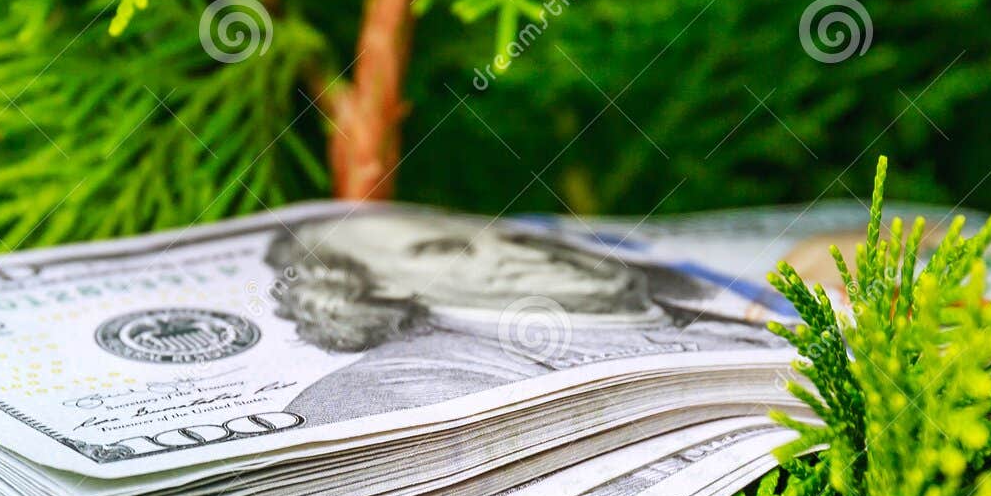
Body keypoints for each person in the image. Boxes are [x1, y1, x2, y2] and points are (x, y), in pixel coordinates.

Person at [262, 208, 781, 422]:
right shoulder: (406, 387)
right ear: (383, 286)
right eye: (442, 250)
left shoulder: (704, 311)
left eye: (499, 231)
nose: (520, 248)